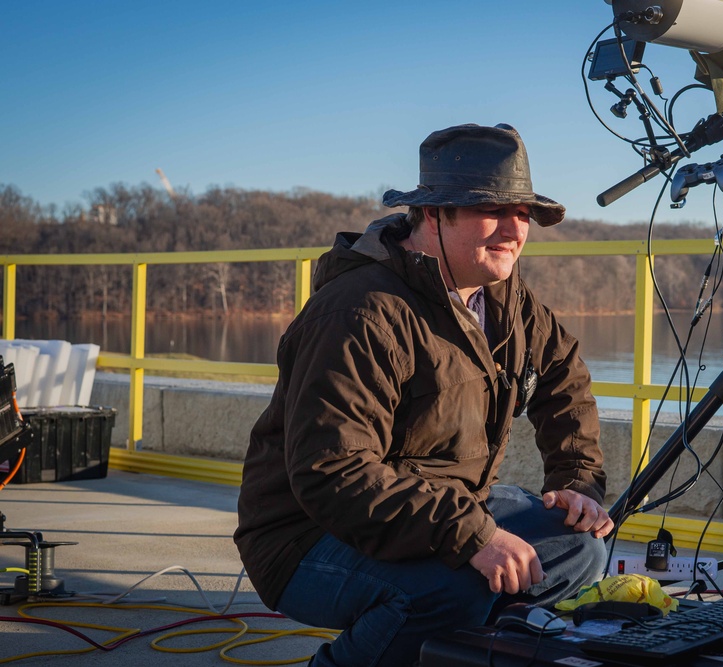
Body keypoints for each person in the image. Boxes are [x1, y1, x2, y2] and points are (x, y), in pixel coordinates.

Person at [234, 123, 614, 666]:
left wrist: (577, 482)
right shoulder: (361, 312)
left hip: (444, 508)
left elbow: (564, 379)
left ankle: (457, 653)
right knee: (452, 587)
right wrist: (473, 536)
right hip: (308, 537)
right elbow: (332, 471)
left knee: (580, 547)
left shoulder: (502, 296)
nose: (513, 229)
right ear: (433, 214)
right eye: (492, 209)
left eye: (522, 212)